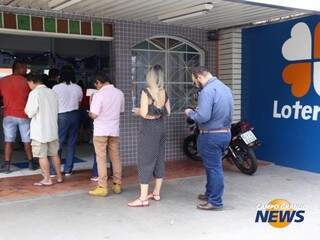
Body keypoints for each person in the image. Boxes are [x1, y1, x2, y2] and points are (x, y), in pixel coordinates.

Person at [185, 66, 233, 211]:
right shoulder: (225, 88)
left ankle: (215, 201)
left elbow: (203, 116)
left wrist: (190, 113)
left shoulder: (207, 91)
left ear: (199, 77)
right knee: (212, 167)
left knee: (214, 169)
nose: (195, 84)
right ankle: (209, 194)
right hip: (225, 133)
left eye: (195, 81)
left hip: (211, 135)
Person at [128, 65, 171, 207]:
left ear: (150, 76)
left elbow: (145, 113)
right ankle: (156, 193)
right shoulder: (164, 91)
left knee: (145, 160)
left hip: (149, 129)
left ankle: (143, 198)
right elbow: (168, 112)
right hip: (161, 128)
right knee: (159, 159)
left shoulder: (146, 91)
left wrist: (138, 110)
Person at [88, 72, 124, 197]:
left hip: (100, 131)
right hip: (114, 130)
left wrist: (90, 107)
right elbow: (121, 111)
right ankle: (117, 185)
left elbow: (94, 114)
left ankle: (102, 187)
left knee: (101, 159)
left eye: (96, 85)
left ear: (99, 82)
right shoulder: (119, 93)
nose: (96, 87)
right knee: (115, 157)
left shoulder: (99, 94)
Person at [24, 73, 63, 186]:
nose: (28, 85)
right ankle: (59, 177)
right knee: (54, 154)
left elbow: (30, 112)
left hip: (39, 131)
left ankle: (47, 179)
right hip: (52, 129)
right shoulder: (52, 92)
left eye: (28, 83)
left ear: (32, 81)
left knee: (42, 155)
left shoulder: (34, 93)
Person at [0, 60, 37, 173]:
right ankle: (31, 164)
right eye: (24, 68)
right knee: (26, 140)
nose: (26, 70)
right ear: (17, 68)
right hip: (23, 115)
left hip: (8, 115)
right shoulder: (27, 81)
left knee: (8, 141)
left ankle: (7, 166)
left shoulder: (2, 81)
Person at [52, 65, 83, 176]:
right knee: (71, 143)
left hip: (62, 116)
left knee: (58, 143)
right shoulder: (78, 88)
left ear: (60, 76)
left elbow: (53, 103)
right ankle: (68, 169)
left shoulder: (56, 88)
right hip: (75, 115)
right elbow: (79, 102)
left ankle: (54, 169)